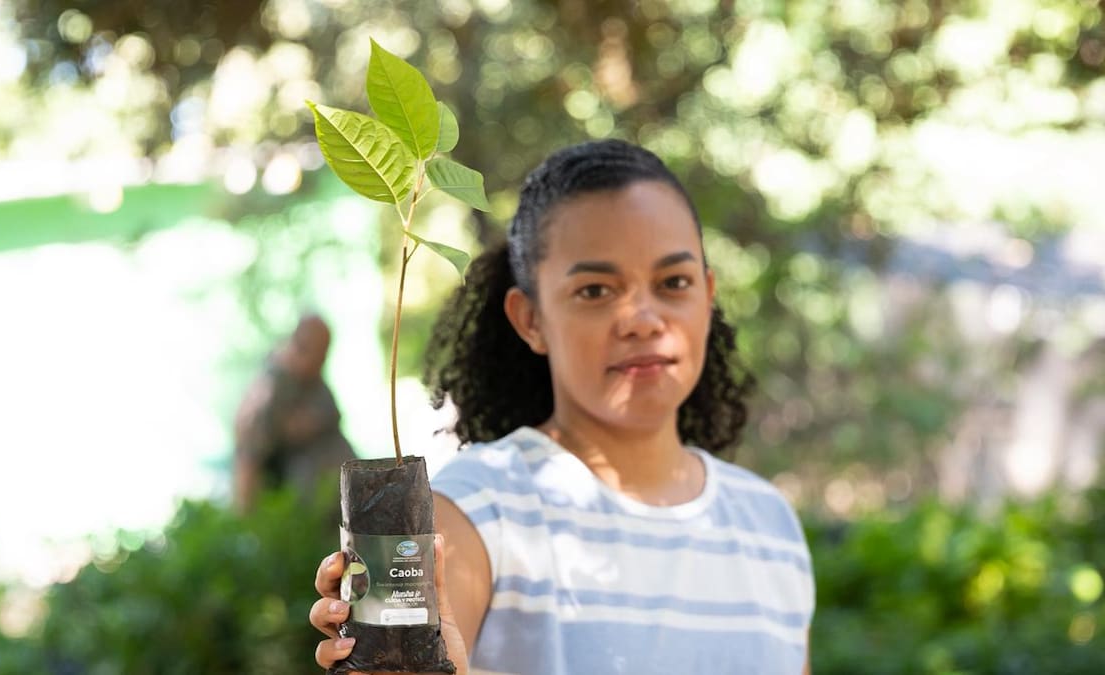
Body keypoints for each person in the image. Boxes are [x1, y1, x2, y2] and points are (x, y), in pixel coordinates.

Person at [310, 140, 814, 673]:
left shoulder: (768, 524)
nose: (642, 318)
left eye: (674, 283)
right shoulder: (474, 513)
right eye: (596, 290)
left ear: (707, 297)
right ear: (530, 319)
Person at [233, 314, 354, 514]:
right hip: (300, 505)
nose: (323, 360)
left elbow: (332, 417)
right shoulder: (273, 388)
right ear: (301, 347)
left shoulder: (315, 384)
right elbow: (248, 458)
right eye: (319, 354)